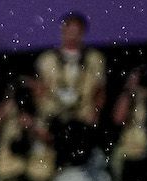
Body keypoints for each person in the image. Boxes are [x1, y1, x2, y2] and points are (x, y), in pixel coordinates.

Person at [33, 13, 107, 170]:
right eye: (69, 31)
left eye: (77, 32)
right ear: (63, 31)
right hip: (53, 121)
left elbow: (99, 91)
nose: (72, 36)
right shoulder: (47, 59)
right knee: (45, 169)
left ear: (83, 33)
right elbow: (39, 91)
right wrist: (41, 122)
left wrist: (95, 116)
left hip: (83, 121)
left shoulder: (94, 59)